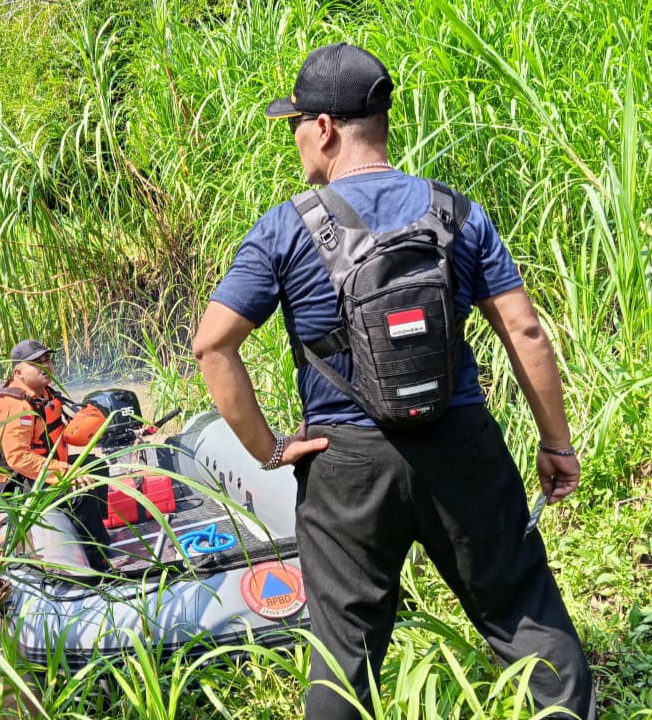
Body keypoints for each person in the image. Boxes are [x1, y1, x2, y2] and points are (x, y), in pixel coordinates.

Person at [192, 43, 597, 719]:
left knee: (343, 654)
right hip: (460, 447)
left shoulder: (286, 227)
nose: (295, 138)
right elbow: (524, 331)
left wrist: (271, 449)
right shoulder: (457, 213)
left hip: (344, 466)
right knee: (523, 611)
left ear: (324, 128)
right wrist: (555, 442)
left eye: (296, 124)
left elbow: (213, 345)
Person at [0, 339, 112, 572]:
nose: (46, 366)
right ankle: (95, 558)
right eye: (37, 363)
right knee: (80, 492)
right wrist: (65, 471)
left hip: (45, 469)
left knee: (96, 466)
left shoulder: (45, 394)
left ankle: (98, 535)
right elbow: (18, 458)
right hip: (18, 483)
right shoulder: (15, 406)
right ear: (18, 372)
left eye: (47, 360)